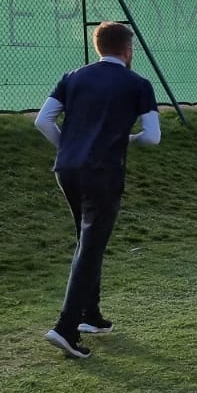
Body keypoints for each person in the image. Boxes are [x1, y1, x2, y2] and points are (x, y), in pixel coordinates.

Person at [34, 21, 160, 359]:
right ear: (128, 49)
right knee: (90, 247)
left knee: (86, 242)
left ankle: (91, 315)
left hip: (67, 170)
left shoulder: (72, 77)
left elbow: (42, 121)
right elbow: (152, 137)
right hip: (103, 173)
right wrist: (125, 140)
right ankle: (65, 327)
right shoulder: (138, 84)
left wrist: (69, 150)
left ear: (98, 46)